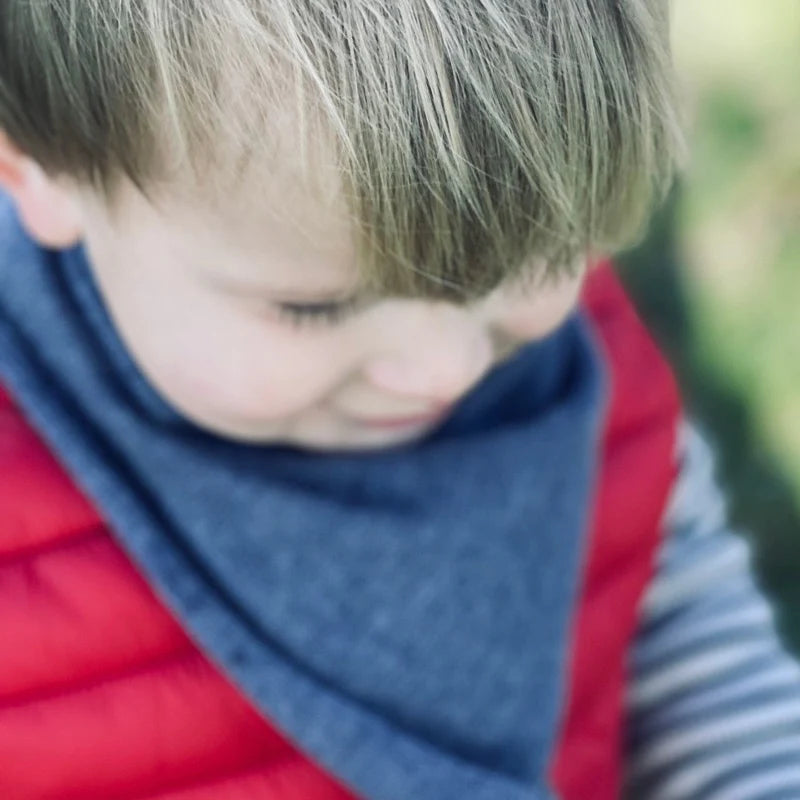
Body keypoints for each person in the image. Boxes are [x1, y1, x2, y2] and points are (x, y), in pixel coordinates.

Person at [0, 2, 799, 798]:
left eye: (532, 258)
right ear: (38, 172)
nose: (445, 370)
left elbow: (682, 625)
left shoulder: (574, 368)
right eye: (315, 308)